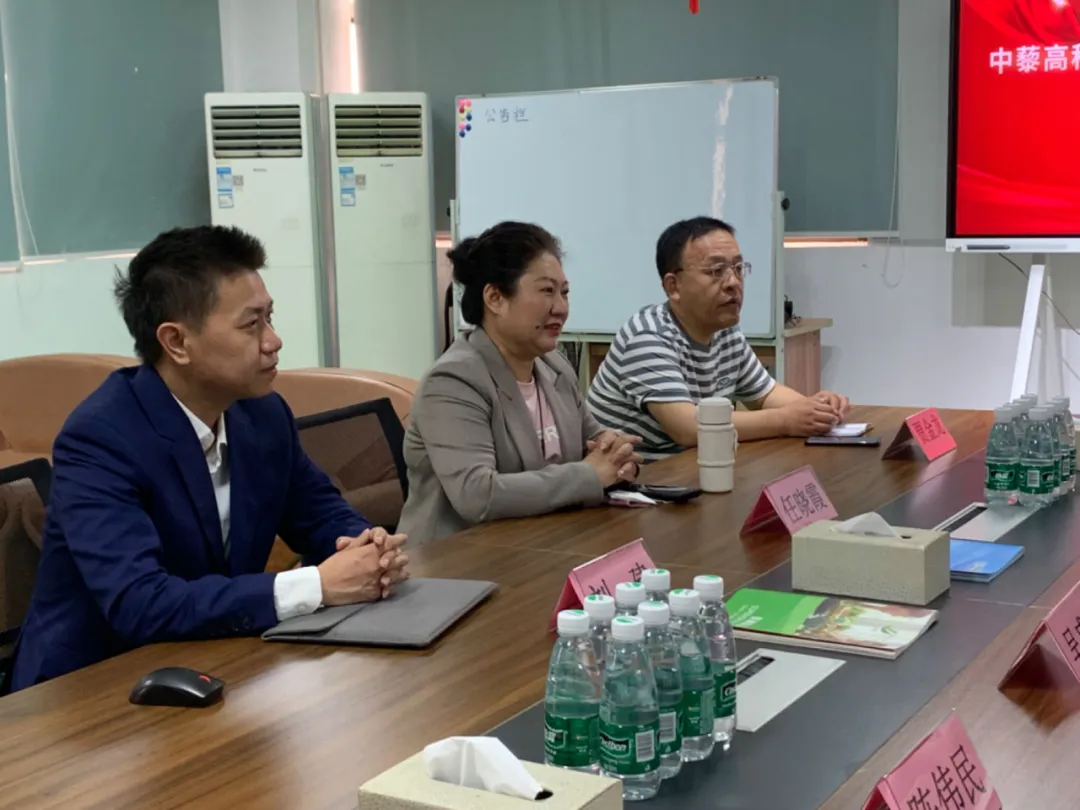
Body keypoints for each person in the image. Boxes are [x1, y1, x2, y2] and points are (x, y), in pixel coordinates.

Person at [9, 226, 409, 690]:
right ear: (176, 342)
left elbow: (319, 512)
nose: (273, 341)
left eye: (270, 318)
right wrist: (315, 586)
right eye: (251, 324)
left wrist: (367, 548)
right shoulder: (100, 438)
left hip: (214, 661)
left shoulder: (262, 414)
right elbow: (140, 603)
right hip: (90, 690)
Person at [397, 221, 642, 545]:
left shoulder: (554, 366)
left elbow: (595, 442)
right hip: (459, 559)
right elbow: (478, 495)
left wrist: (617, 454)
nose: (561, 308)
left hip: (544, 544)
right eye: (546, 291)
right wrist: (590, 474)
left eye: (564, 292)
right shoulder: (453, 381)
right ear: (495, 298)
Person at [587, 217, 850, 459]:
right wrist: (787, 420)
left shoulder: (724, 330)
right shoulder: (647, 336)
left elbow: (766, 393)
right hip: (638, 480)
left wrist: (817, 409)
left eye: (738, 268)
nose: (733, 282)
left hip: (690, 471)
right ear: (673, 287)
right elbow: (688, 428)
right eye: (716, 271)